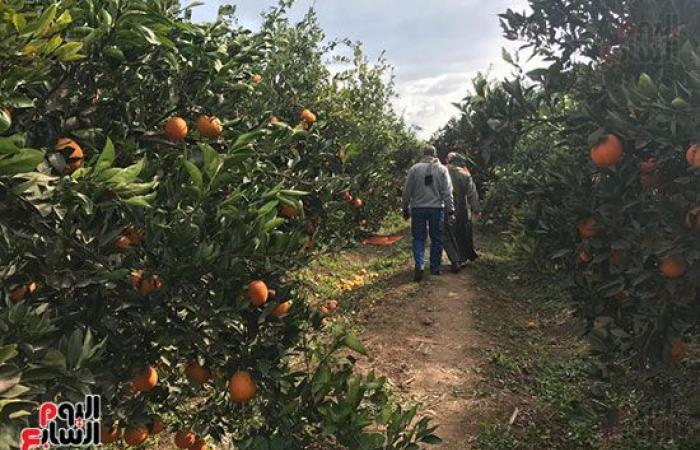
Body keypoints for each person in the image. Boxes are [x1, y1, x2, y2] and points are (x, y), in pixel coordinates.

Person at [402, 145, 455, 282]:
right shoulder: (442, 169)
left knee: (419, 238)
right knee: (436, 239)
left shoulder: (414, 169)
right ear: (435, 154)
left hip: (418, 208)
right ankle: (435, 268)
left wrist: (405, 207)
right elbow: (447, 192)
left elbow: (407, 191)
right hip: (436, 209)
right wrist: (450, 211)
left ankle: (419, 265)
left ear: (422, 154)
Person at [443, 152, 481, 273]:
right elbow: (472, 193)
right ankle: (465, 256)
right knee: (463, 231)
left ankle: (456, 259)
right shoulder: (465, 172)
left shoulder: (443, 170)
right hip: (462, 206)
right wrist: (476, 209)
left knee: (450, 232)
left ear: (449, 160)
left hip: (446, 205)